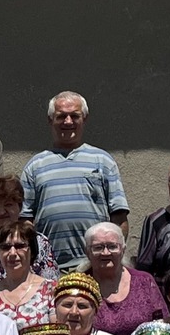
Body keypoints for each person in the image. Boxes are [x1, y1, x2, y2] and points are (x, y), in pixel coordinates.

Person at [20, 92, 128, 270]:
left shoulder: (103, 160)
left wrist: (112, 258)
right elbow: (25, 220)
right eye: (61, 116)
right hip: (50, 267)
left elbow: (119, 217)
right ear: (50, 120)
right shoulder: (35, 165)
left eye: (74, 116)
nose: (68, 122)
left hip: (93, 267)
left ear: (84, 119)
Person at [85, 221, 167, 335]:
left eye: (112, 246)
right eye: (98, 247)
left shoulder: (144, 281)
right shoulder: (79, 285)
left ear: (123, 249)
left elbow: (162, 323)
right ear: (87, 252)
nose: (106, 252)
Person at [0, 173, 56, 284]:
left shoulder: (39, 242)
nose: (1, 212)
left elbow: (51, 285)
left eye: (8, 205)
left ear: (19, 206)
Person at [0, 221, 55, 330]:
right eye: (5, 247)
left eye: (20, 246)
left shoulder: (51, 290)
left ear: (32, 251)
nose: (13, 253)